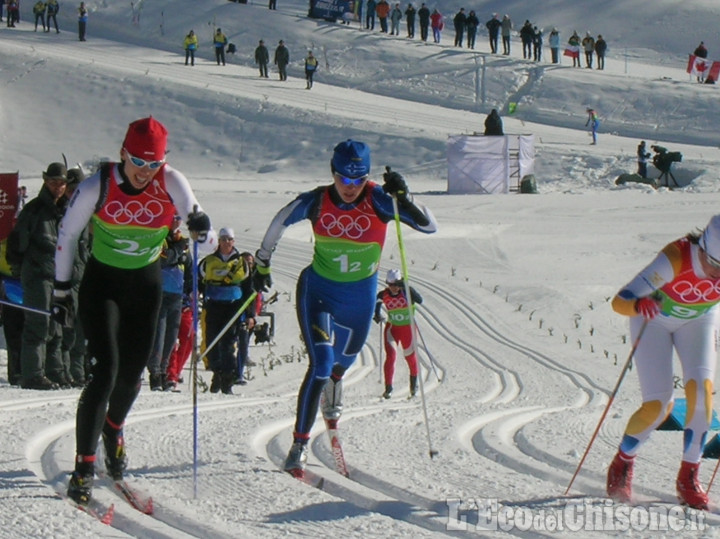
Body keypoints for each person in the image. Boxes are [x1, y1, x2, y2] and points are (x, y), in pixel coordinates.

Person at [53, 116, 215, 506]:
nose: (145, 172)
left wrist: (201, 228)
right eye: (138, 162)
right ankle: (84, 465)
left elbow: (206, 242)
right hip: (102, 286)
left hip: (146, 287)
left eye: (153, 164)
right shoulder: (99, 185)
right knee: (104, 372)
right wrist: (60, 293)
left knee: (132, 376)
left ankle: (113, 429)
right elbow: (68, 234)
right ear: (123, 154)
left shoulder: (172, 182)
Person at [253, 139, 437, 476]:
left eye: (358, 180)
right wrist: (262, 262)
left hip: (360, 299)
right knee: (321, 363)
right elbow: (280, 220)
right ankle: (299, 445)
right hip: (318, 291)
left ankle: (334, 386)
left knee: (341, 366)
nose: (351, 188)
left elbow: (428, 225)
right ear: (333, 173)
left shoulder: (380, 200)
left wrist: (405, 199)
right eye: (344, 179)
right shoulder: (318, 201)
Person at [606, 215, 720, 510]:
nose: (717, 277)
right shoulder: (676, 257)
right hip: (653, 321)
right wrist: (637, 303)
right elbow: (620, 301)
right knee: (659, 406)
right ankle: (623, 462)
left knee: (701, 398)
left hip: (698, 322)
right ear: (704, 249)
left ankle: (689, 476)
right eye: (715, 267)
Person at [8, 163, 69, 390]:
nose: (58, 187)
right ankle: (32, 374)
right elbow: (17, 242)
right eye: (53, 182)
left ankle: (54, 372)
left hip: (59, 277)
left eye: (61, 183)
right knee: (38, 324)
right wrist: (19, 269)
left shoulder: (65, 210)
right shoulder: (34, 210)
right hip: (37, 275)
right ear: (45, 181)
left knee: (56, 326)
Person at [199, 227, 250, 395]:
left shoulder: (241, 263)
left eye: (230, 239)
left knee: (228, 343)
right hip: (214, 305)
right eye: (224, 239)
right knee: (211, 341)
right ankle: (217, 373)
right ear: (219, 241)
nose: (227, 242)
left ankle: (228, 379)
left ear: (233, 241)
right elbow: (199, 281)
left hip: (233, 307)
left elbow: (248, 288)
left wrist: (250, 314)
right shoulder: (208, 261)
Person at [147, 215, 192, 391]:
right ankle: (155, 373)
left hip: (177, 295)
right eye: (172, 218)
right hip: (160, 292)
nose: (175, 222)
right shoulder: (159, 237)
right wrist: (177, 250)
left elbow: (188, 268)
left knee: (171, 336)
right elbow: (162, 259)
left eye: (178, 218)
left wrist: (190, 291)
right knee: (159, 333)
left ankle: (165, 372)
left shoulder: (181, 241)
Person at [60, 167, 90, 388]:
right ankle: (61, 370)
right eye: (70, 190)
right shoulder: (57, 211)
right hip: (62, 279)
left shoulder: (90, 214)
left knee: (81, 328)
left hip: (84, 279)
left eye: (78, 189)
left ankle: (77, 372)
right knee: (62, 328)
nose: (74, 194)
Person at [374, 269, 422, 399]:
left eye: (395, 285)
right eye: (390, 284)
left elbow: (420, 300)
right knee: (391, 356)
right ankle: (388, 389)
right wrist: (377, 314)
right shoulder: (384, 294)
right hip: (392, 328)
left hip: (408, 330)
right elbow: (376, 302)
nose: (393, 288)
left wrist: (408, 289)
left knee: (410, 358)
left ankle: (413, 386)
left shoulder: (407, 292)